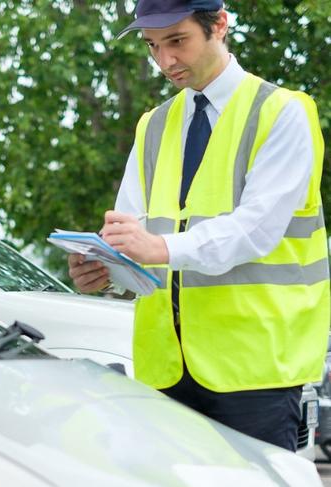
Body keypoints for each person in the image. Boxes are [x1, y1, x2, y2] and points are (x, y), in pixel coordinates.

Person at [68, 0, 329, 452]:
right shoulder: (153, 125)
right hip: (165, 369)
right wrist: (108, 272)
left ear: (220, 25)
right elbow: (136, 236)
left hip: (256, 371)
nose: (165, 61)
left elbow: (256, 230)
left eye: (177, 41)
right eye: (152, 45)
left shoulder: (283, 112)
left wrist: (159, 248)